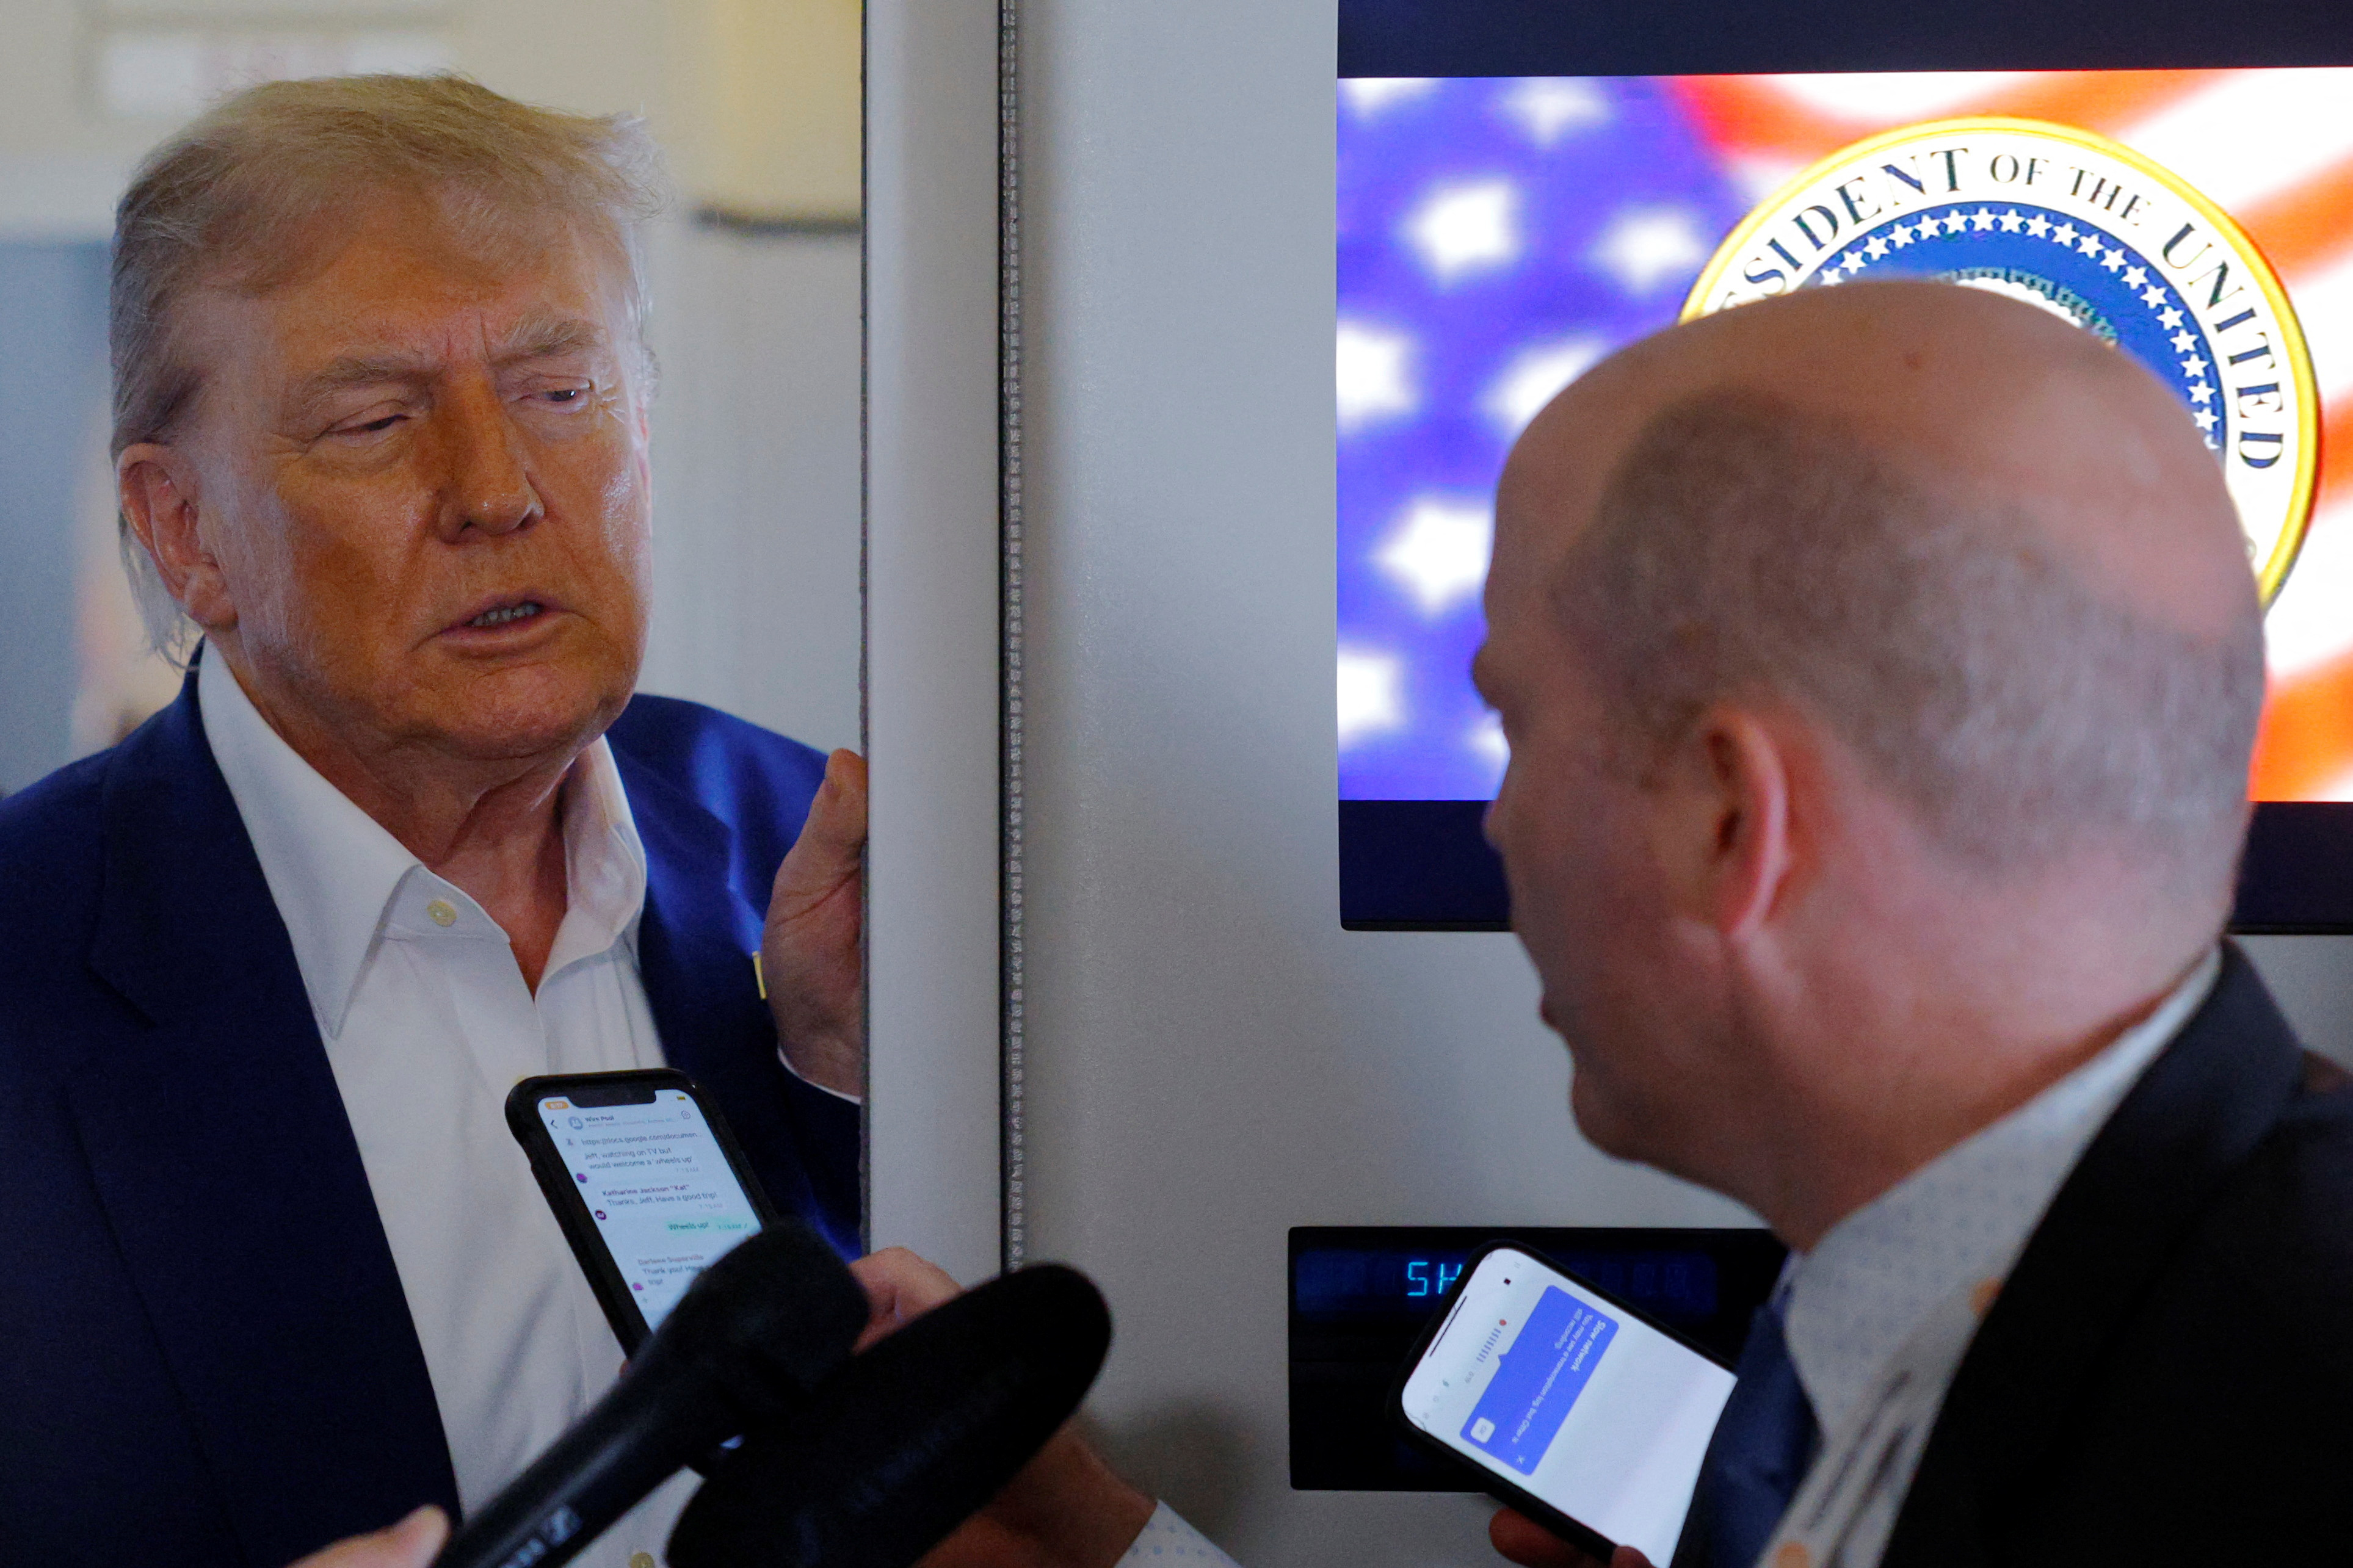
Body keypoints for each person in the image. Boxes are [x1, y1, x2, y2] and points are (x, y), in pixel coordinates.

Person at [663, 279, 2343, 1568]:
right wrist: (1098, 1543)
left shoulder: (2258, 1426)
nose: (1491, 825)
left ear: (1726, 820)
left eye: (1514, 724)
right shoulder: (2000, 1307)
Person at [0, 76, 867, 1568]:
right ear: (183, 530)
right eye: (376, 419)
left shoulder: (813, 846)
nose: (498, 488)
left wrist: (855, 1086)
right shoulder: (29, 953)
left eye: (560, 391)